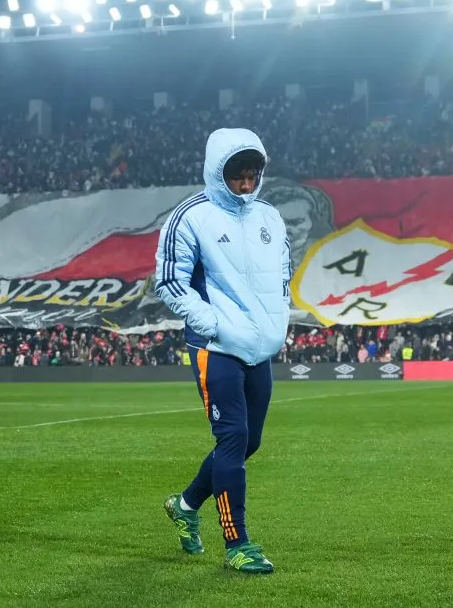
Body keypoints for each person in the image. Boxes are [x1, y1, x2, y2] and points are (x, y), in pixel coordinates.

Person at [154, 128, 291, 574]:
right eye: (238, 177)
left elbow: (283, 277)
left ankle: (186, 504)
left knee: (250, 440)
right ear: (219, 173)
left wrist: (278, 320)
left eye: (253, 176)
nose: (247, 185)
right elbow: (171, 282)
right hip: (216, 346)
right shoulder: (190, 216)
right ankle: (238, 544)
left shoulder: (270, 217)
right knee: (232, 437)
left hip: (259, 347)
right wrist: (211, 324)